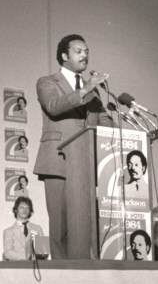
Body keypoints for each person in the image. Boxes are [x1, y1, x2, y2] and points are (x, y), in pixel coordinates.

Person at [33, 34, 112, 259]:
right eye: (79, 51)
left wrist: (133, 137)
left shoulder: (92, 90)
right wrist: (86, 90)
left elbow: (105, 122)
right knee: (61, 226)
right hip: (58, 161)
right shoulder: (47, 81)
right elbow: (54, 106)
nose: (85, 55)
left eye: (87, 51)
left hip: (86, 165)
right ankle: (60, 275)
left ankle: (84, 272)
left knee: (85, 226)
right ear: (65, 56)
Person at [3, 196, 44, 261]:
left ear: (30, 211)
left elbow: (42, 252)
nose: (24, 210)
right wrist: (27, 256)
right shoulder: (8, 231)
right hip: (17, 267)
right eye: (21, 207)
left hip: (35, 268)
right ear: (16, 210)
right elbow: (8, 253)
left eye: (27, 208)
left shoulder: (38, 229)